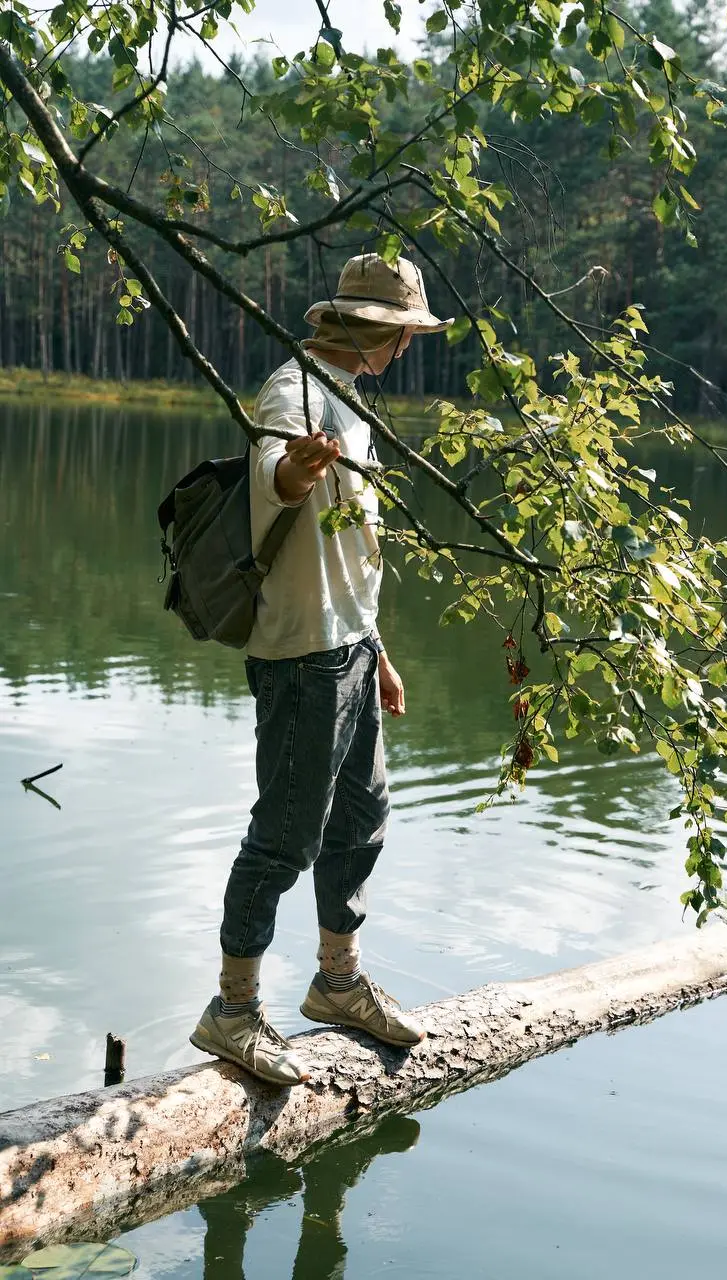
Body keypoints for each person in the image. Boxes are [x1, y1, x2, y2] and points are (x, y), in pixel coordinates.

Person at [190, 253, 451, 1085]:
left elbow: (348, 553)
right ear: (376, 330)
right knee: (284, 837)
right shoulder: (293, 393)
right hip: (301, 655)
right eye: (405, 332)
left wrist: (378, 652)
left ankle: (336, 984)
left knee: (362, 817)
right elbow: (276, 470)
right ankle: (232, 1010)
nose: (407, 345)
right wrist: (294, 470)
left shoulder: (348, 401)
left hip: (349, 648)